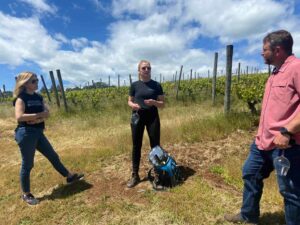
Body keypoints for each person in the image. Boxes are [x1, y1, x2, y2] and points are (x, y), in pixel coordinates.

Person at [224, 30, 300, 225]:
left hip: (286, 144)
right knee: (250, 172)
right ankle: (248, 215)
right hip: (263, 142)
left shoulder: (296, 68)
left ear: (278, 50)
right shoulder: (274, 73)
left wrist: (287, 131)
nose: (261, 53)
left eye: (264, 49)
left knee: (290, 191)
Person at [13, 72, 84, 205]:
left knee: (53, 156)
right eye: (33, 81)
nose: (36, 83)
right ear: (25, 83)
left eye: (37, 80)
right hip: (26, 134)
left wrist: (36, 119)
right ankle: (26, 194)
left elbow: (47, 113)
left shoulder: (39, 97)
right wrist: (39, 115)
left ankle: (69, 177)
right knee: (28, 164)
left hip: (38, 132)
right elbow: (19, 117)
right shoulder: (21, 98)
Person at [127, 60, 165, 188]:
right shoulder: (134, 85)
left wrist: (154, 102)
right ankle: (135, 175)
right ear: (139, 71)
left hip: (152, 118)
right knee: (136, 145)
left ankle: (157, 174)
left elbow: (163, 104)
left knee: (155, 146)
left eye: (149, 68)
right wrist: (133, 105)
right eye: (144, 68)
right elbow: (129, 101)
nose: (147, 70)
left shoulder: (156, 85)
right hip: (137, 118)